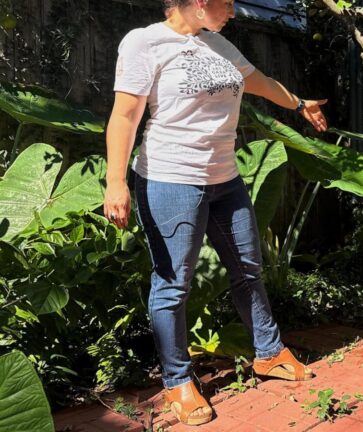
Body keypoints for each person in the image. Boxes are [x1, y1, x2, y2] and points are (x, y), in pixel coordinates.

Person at [103, 0, 327, 426]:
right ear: (201, 2)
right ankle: (177, 380)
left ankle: (269, 353)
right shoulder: (145, 42)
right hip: (170, 179)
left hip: (225, 179)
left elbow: (258, 81)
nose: (235, 11)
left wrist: (299, 103)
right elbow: (125, 114)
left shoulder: (219, 44)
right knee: (173, 284)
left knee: (248, 269)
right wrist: (115, 181)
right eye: (228, 2)